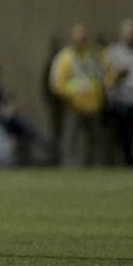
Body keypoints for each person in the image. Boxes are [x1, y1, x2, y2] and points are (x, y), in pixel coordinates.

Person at [49, 24, 104, 166]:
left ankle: (94, 165)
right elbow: (57, 84)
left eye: (83, 38)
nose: (81, 40)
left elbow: (102, 76)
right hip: (73, 105)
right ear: (72, 38)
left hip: (92, 105)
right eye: (78, 37)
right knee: (70, 138)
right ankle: (68, 165)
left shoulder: (92, 56)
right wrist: (74, 90)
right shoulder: (65, 57)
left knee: (95, 140)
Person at [103, 20, 133, 165]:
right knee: (123, 135)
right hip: (121, 100)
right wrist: (120, 74)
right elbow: (107, 76)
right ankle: (125, 161)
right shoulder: (114, 52)